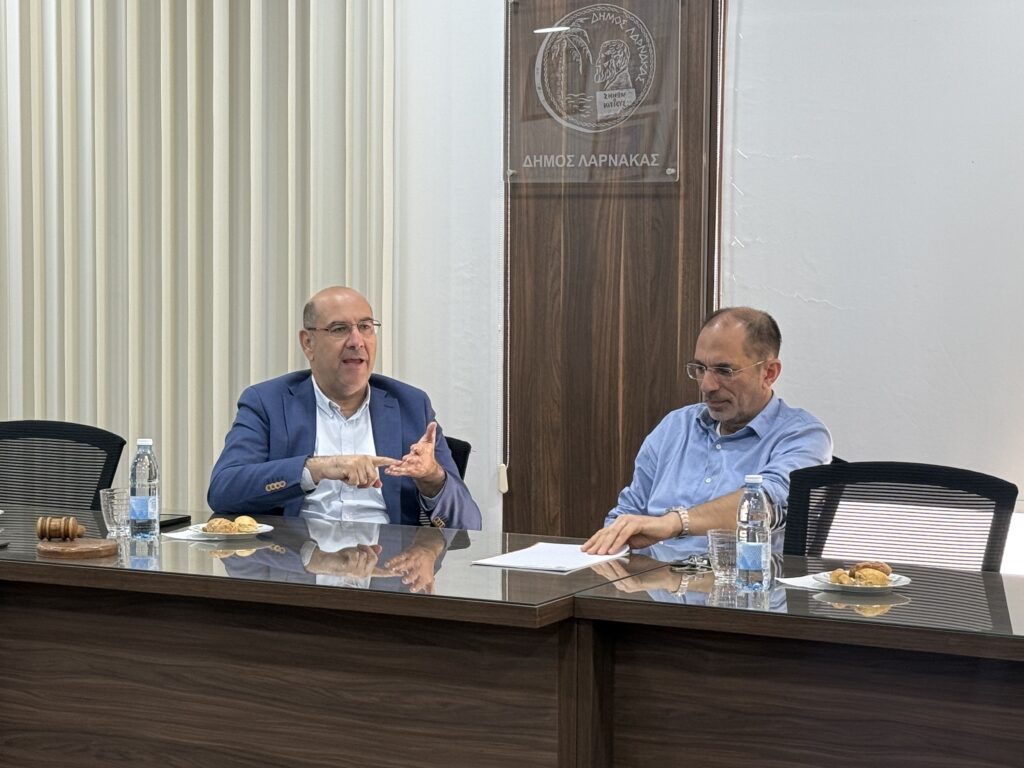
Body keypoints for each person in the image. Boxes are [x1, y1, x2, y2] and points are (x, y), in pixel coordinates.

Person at [208, 286, 482, 530]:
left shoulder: (411, 405)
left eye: (365, 327)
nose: (356, 341)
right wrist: (315, 468)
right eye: (339, 329)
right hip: (298, 563)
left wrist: (432, 478)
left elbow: (470, 524)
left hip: (388, 564)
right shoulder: (267, 402)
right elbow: (223, 490)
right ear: (308, 343)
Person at [582, 307, 830, 555]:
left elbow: (764, 503)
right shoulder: (675, 427)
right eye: (700, 368)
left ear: (769, 373)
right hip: (649, 577)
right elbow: (628, 512)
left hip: (741, 578)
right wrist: (612, 540)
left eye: (724, 371)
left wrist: (674, 523)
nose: (707, 385)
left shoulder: (803, 436)